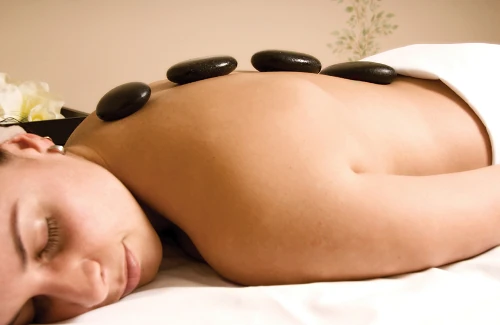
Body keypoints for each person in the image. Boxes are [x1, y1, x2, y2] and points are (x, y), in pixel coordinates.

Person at [2, 43, 500, 324]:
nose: (86, 290)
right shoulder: (97, 131)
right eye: (35, 311)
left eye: (46, 237)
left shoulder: (257, 226)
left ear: (27, 145)